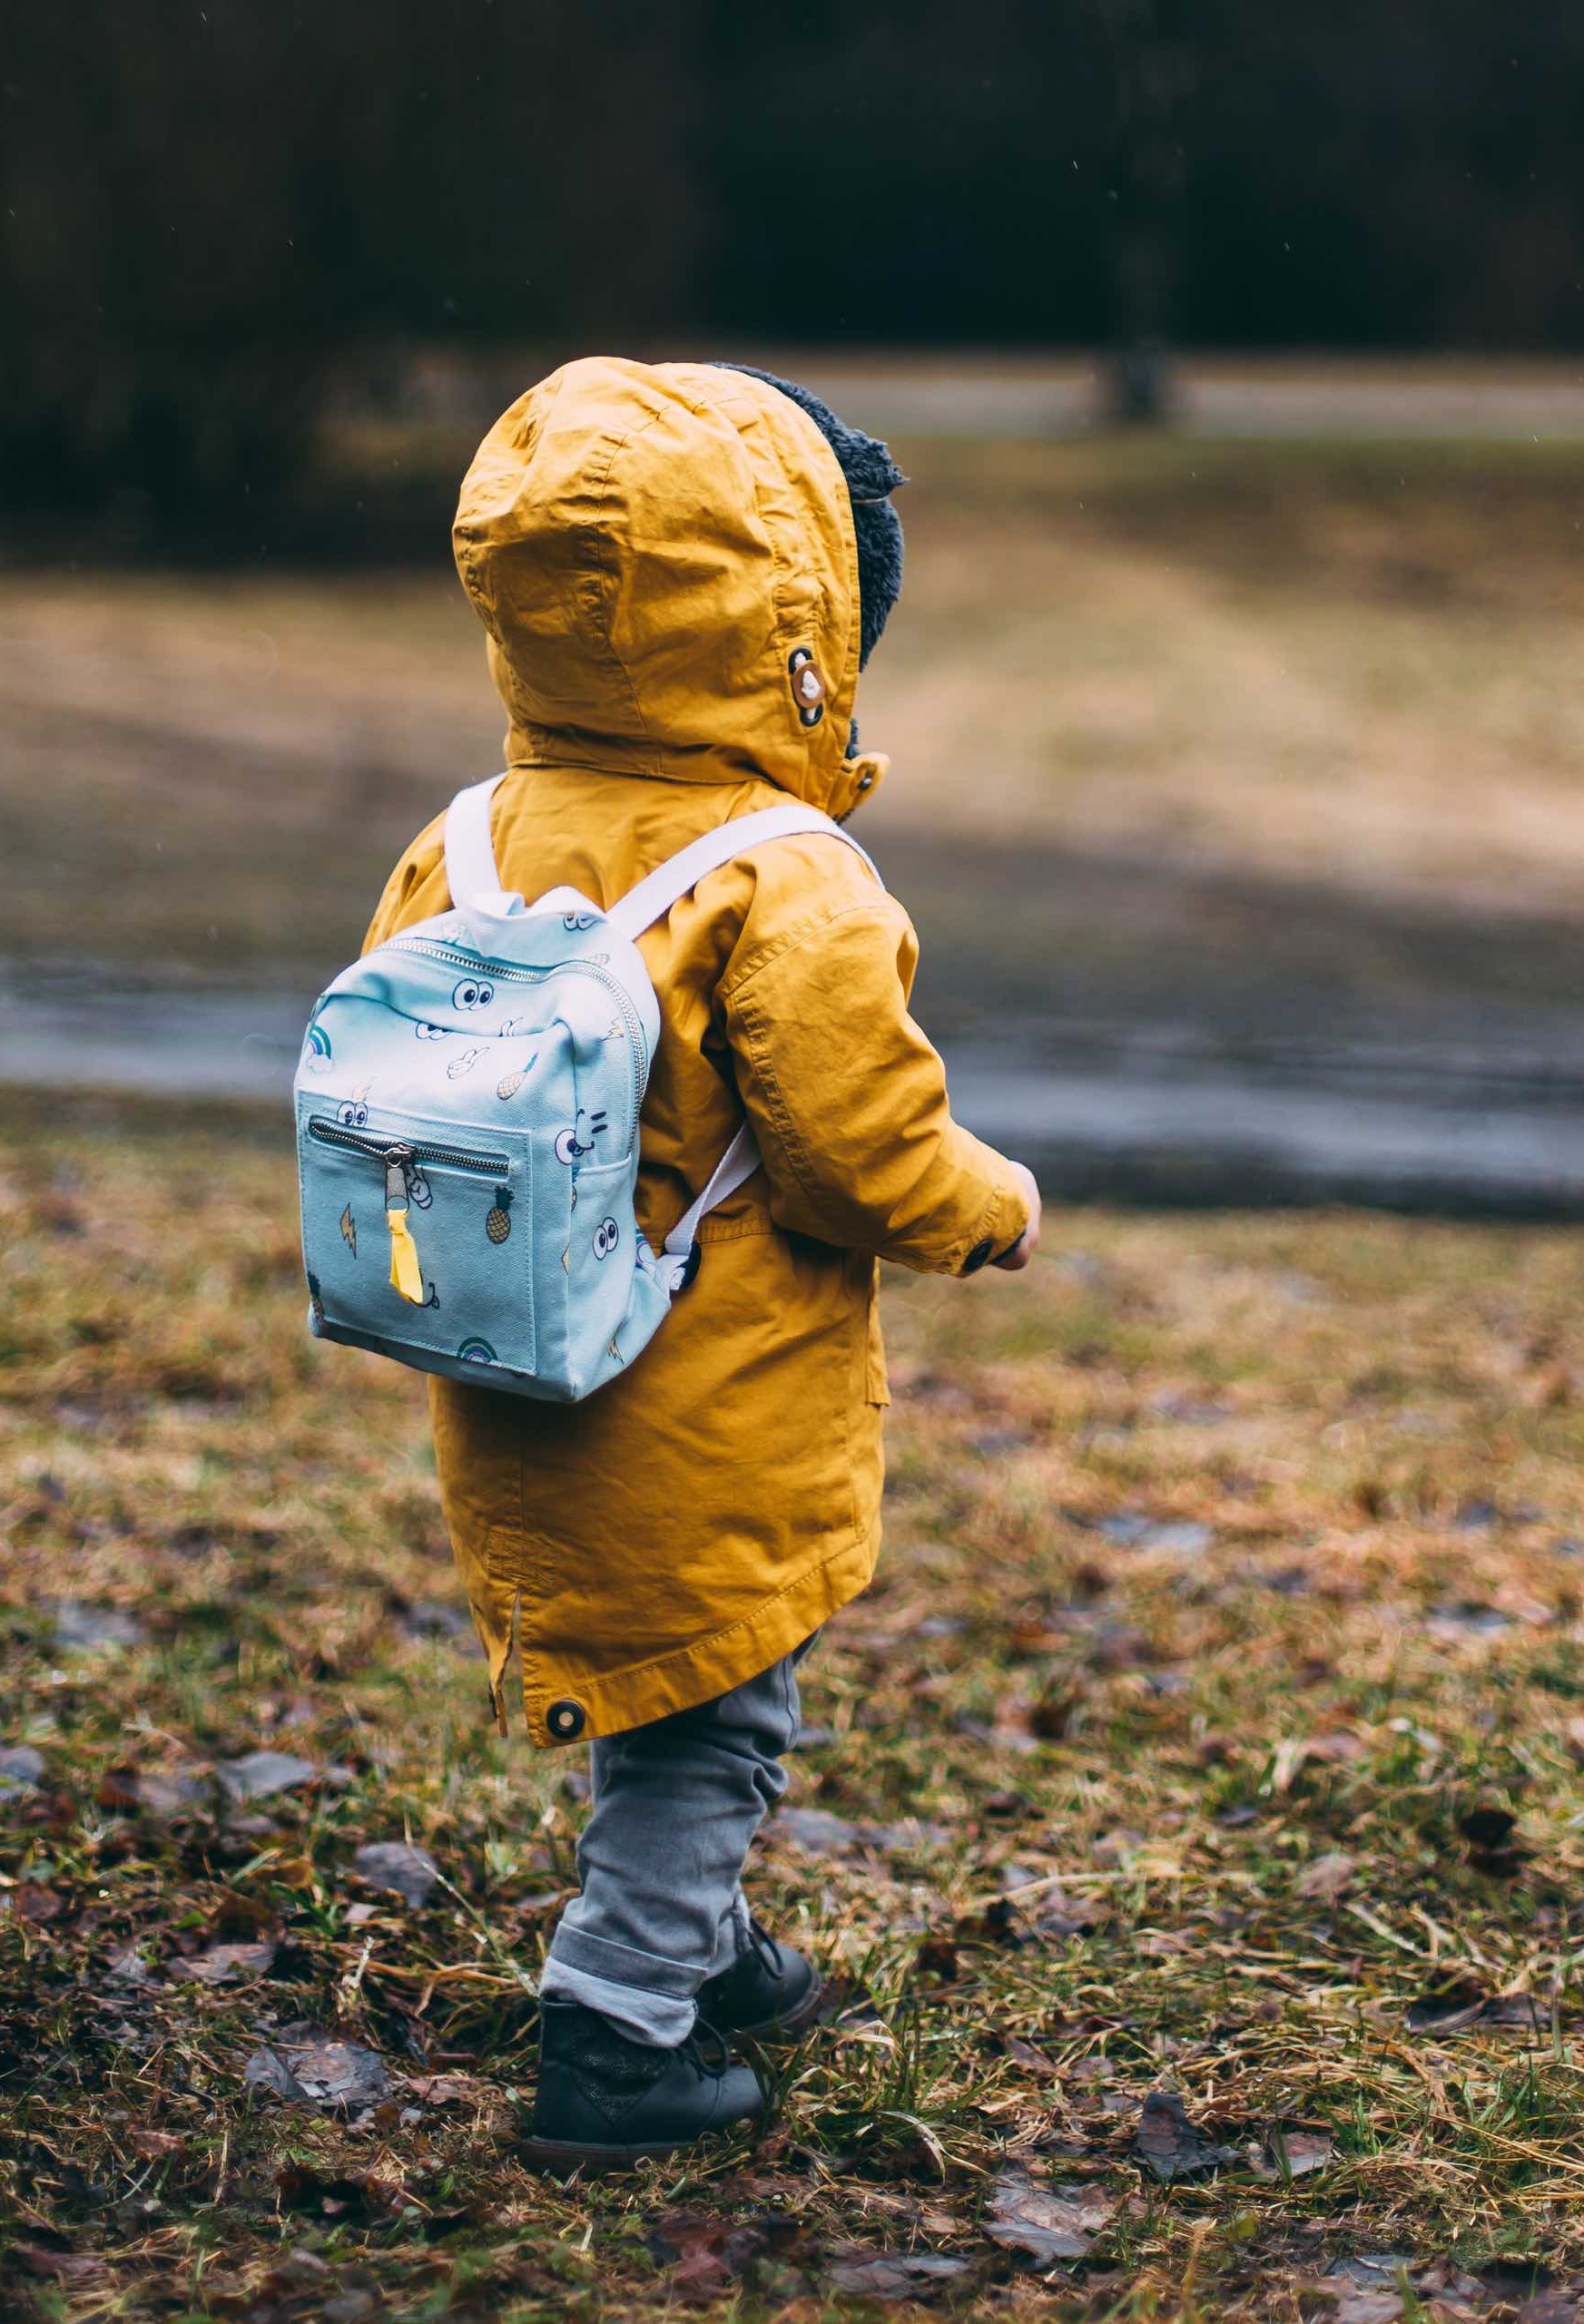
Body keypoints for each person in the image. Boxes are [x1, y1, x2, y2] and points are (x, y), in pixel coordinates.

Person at [362, 357, 1041, 2171]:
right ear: (796, 625)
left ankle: (703, 1943)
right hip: (705, 1391)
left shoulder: (467, 842)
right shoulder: (782, 876)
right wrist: (988, 1203)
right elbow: (856, 1149)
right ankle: (620, 2026)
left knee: (669, 1681)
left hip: (518, 1372)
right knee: (715, 1717)